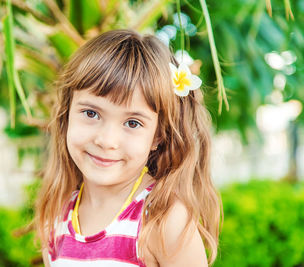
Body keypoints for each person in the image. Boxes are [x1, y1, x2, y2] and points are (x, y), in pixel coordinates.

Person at [35, 29, 222, 267]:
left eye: (132, 123)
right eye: (91, 113)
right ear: (67, 114)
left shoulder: (163, 221)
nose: (107, 140)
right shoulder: (57, 216)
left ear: (158, 135)